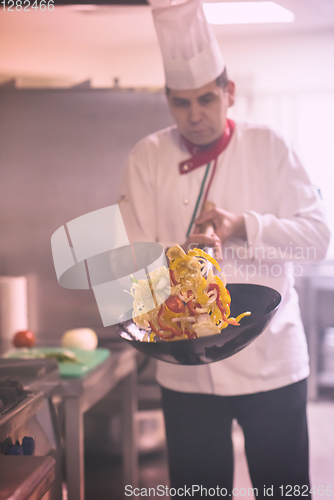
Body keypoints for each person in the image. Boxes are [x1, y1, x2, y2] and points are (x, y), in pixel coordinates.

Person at [118, 0, 331, 498]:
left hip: (272, 361)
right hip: (186, 371)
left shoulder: (271, 147)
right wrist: (178, 259)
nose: (194, 117)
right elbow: (128, 257)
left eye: (206, 101)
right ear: (167, 100)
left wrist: (244, 227)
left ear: (228, 93)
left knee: (283, 492)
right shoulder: (147, 157)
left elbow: (318, 240)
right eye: (181, 103)